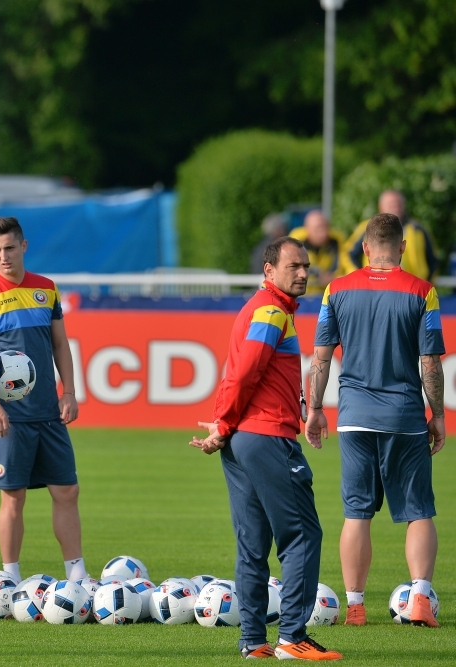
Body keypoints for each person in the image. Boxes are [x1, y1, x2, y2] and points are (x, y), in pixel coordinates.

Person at [191, 237, 342, 661]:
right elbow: (243, 374)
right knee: (303, 535)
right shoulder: (272, 311)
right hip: (266, 438)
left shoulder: (264, 309)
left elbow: (235, 375)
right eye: (293, 266)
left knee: (253, 544)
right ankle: (293, 635)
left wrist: (224, 426)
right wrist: (223, 421)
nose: (302, 273)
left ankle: (253, 640)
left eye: (307, 266)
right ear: (268, 269)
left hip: (242, 440)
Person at [307, 213, 445, 628]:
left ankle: (355, 607)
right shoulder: (423, 291)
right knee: (418, 510)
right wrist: (437, 415)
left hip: (354, 417)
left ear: (365, 247)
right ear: (402, 246)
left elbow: (321, 357)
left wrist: (314, 408)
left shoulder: (337, 289)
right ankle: (419, 598)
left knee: (356, 513)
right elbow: (430, 362)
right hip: (404, 415)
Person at [0, 216, 84, 584]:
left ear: (24, 246)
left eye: (10, 248)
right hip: (9, 417)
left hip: (48, 411)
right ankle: (10, 578)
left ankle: (77, 573)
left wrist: (69, 392)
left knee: (66, 489)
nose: (4, 256)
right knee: (13, 496)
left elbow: (60, 344)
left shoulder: (46, 289)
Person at [345, 189, 439, 280]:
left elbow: (433, 259)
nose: (395, 207)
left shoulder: (417, 230)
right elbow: (349, 253)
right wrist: (360, 278)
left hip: (410, 289)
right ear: (380, 206)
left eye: (398, 204)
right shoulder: (367, 228)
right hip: (375, 287)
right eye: (391, 204)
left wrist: (425, 284)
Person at [289, 210, 354, 295]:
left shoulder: (337, 240)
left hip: (331, 293)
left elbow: (349, 264)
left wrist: (335, 278)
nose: (323, 233)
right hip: (303, 295)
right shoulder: (296, 240)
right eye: (317, 229)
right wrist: (318, 275)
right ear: (307, 229)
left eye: (325, 227)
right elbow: (292, 268)